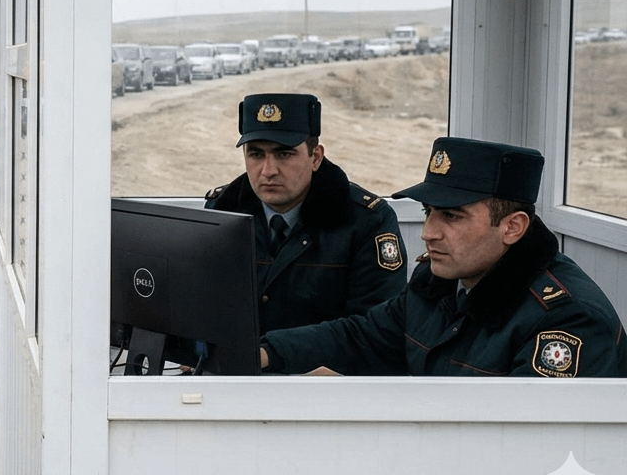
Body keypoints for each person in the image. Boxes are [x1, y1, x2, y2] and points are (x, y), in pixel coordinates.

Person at [261, 137, 627, 377]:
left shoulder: (568, 319)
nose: (428, 232)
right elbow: (363, 337)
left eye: (451, 216)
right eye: (428, 212)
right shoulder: (439, 280)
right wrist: (263, 352)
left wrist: (362, 401)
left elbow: (519, 441)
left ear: (513, 227)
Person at [204, 93, 407, 333]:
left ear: (316, 158)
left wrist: (275, 351)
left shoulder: (366, 222)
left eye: (284, 154)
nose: (268, 171)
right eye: (256, 154)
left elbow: (375, 330)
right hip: (238, 357)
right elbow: (202, 304)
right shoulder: (222, 212)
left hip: (324, 359)